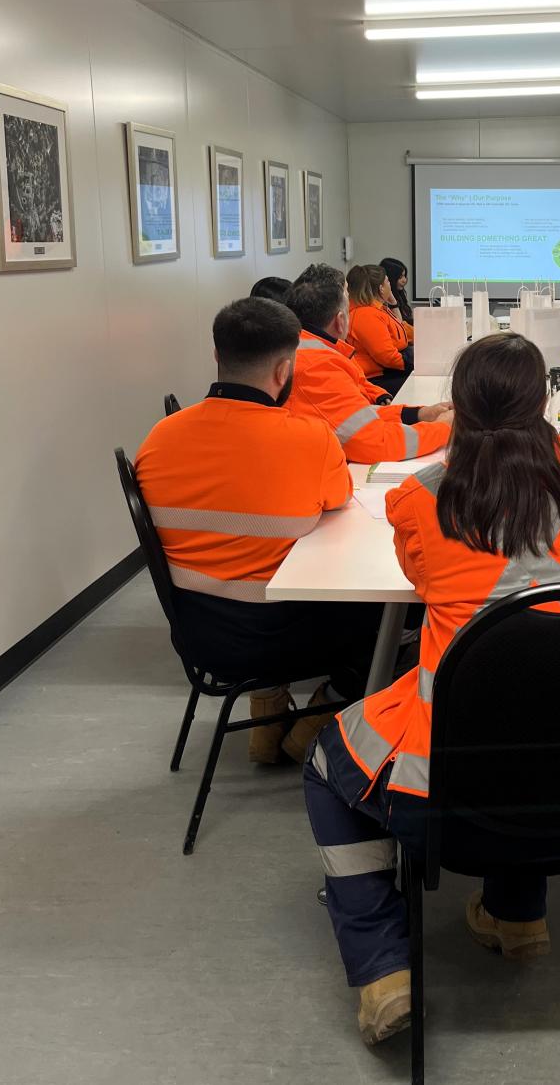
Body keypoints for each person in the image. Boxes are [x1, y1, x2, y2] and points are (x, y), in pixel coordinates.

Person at [302, 332, 560, 1046]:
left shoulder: (420, 496)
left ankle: (384, 969)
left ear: (455, 408)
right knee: (549, 708)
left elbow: (423, 581)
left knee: (329, 765)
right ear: (545, 399)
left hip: (452, 797)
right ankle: (517, 913)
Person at [134, 297, 383, 765]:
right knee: (392, 619)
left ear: (217, 356)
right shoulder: (310, 437)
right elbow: (337, 500)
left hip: (199, 634)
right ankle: (311, 727)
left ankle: (266, 714)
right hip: (280, 628)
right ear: (285, 368)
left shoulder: (160, 436)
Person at [284, 265, 451, 463]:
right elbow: (375, 442)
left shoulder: (307, 348)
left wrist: (419, 414)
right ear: (340, 321)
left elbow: (354, 415)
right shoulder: (318, 366)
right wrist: (444, 428)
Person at [346, 264, 413, 396]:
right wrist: (415, 364)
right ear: (381, 288)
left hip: (389, 370)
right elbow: (387, 357)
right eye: (388, 281)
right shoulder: (366, 315)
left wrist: (393, 301)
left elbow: (401, 330)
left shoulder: (377, 308)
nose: (390, 285)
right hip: (376, 379)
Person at [380, 257, 415, 343]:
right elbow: (401, 328)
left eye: (404, 276)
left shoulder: (399, 295)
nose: (404, 280)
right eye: (400, 277)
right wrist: (393, 304)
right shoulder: (385, 302)